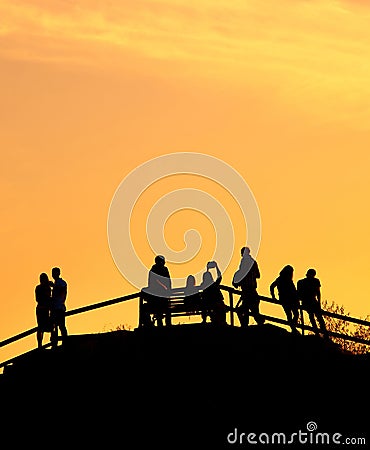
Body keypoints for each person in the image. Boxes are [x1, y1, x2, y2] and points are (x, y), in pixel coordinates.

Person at [232, 247, 265, 327]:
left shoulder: (244, 261)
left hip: (247, 291)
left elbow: (242, 273)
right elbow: (258, 275)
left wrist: (237, 281)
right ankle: (254, 323)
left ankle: (246, 325)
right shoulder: (254, 262)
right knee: (251, 310)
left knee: (244, 310)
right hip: (252, 291)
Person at [297, 269, 329, 339]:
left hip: (311, 302)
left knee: (317, 317)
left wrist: (319, 302)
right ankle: (319, 333)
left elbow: (318, 292)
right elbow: (317, 292)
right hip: (308, 302)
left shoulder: (312, 281)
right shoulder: (302, 282)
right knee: (314, 317)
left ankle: (323, 333)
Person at [270, 265, 300, 334]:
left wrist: (273, 296)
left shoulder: (285, 279)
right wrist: (273, 296)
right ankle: (293, 328)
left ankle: (293, 328)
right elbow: (272, 286)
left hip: (287, 299)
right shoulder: (282, 279)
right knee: (293, 314)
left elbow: (293, 290)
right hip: (287, 299)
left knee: (293, 314)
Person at [143, 255, 172, 327]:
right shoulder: (164, 270)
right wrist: (168, 291)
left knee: (147, 308)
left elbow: (150, 283)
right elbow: (169, 282)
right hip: (162, 299)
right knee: (165, 307)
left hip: (155, 300)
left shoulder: (152, 271)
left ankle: (155, 323)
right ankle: (167, 323)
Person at [200, 261, 227, 325]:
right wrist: (216, 267)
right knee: (220, 306)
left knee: (206, 306)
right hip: (214, 303)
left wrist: (207, 270)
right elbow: (219, 277)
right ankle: (222, 321)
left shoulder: (203, 286)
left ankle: (204, 320)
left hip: (207, 303)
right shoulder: (214, 285)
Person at [50, 267, 68, 348]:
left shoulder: (62, 282)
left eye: (55, 273)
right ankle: (55, 343)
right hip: (55, 308)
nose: (54, 274)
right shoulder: (57, 283)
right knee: (54, 326)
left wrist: (54, 286)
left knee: (61, 326)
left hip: (59, 308)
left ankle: (65, 342)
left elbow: (62, 289)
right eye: (53, 273)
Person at [35, 272, 53, 348]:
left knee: (49, 326)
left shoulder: (47, 288)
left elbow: (49, 297)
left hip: (45, 309)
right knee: (40, 327)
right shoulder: (39, 288)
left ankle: (52, 342)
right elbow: (38, 299)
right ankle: (40, 344)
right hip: (41, 309)